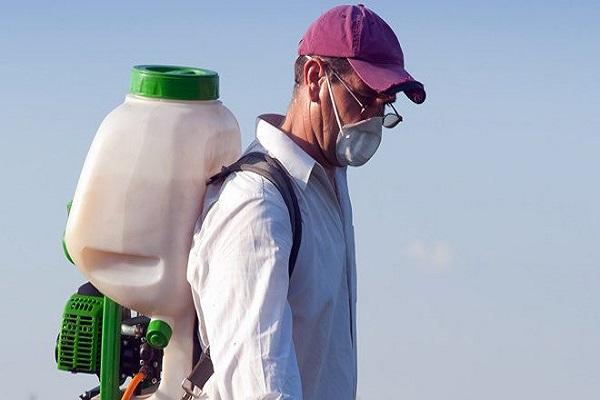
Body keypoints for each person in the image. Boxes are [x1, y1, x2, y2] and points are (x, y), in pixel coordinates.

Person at [186, 4, 426, 399]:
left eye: (385, 106)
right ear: (315, 77)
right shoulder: (258, 203)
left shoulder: (328, 185)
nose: (372, 118)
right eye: (365, 97)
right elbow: (260, 385)